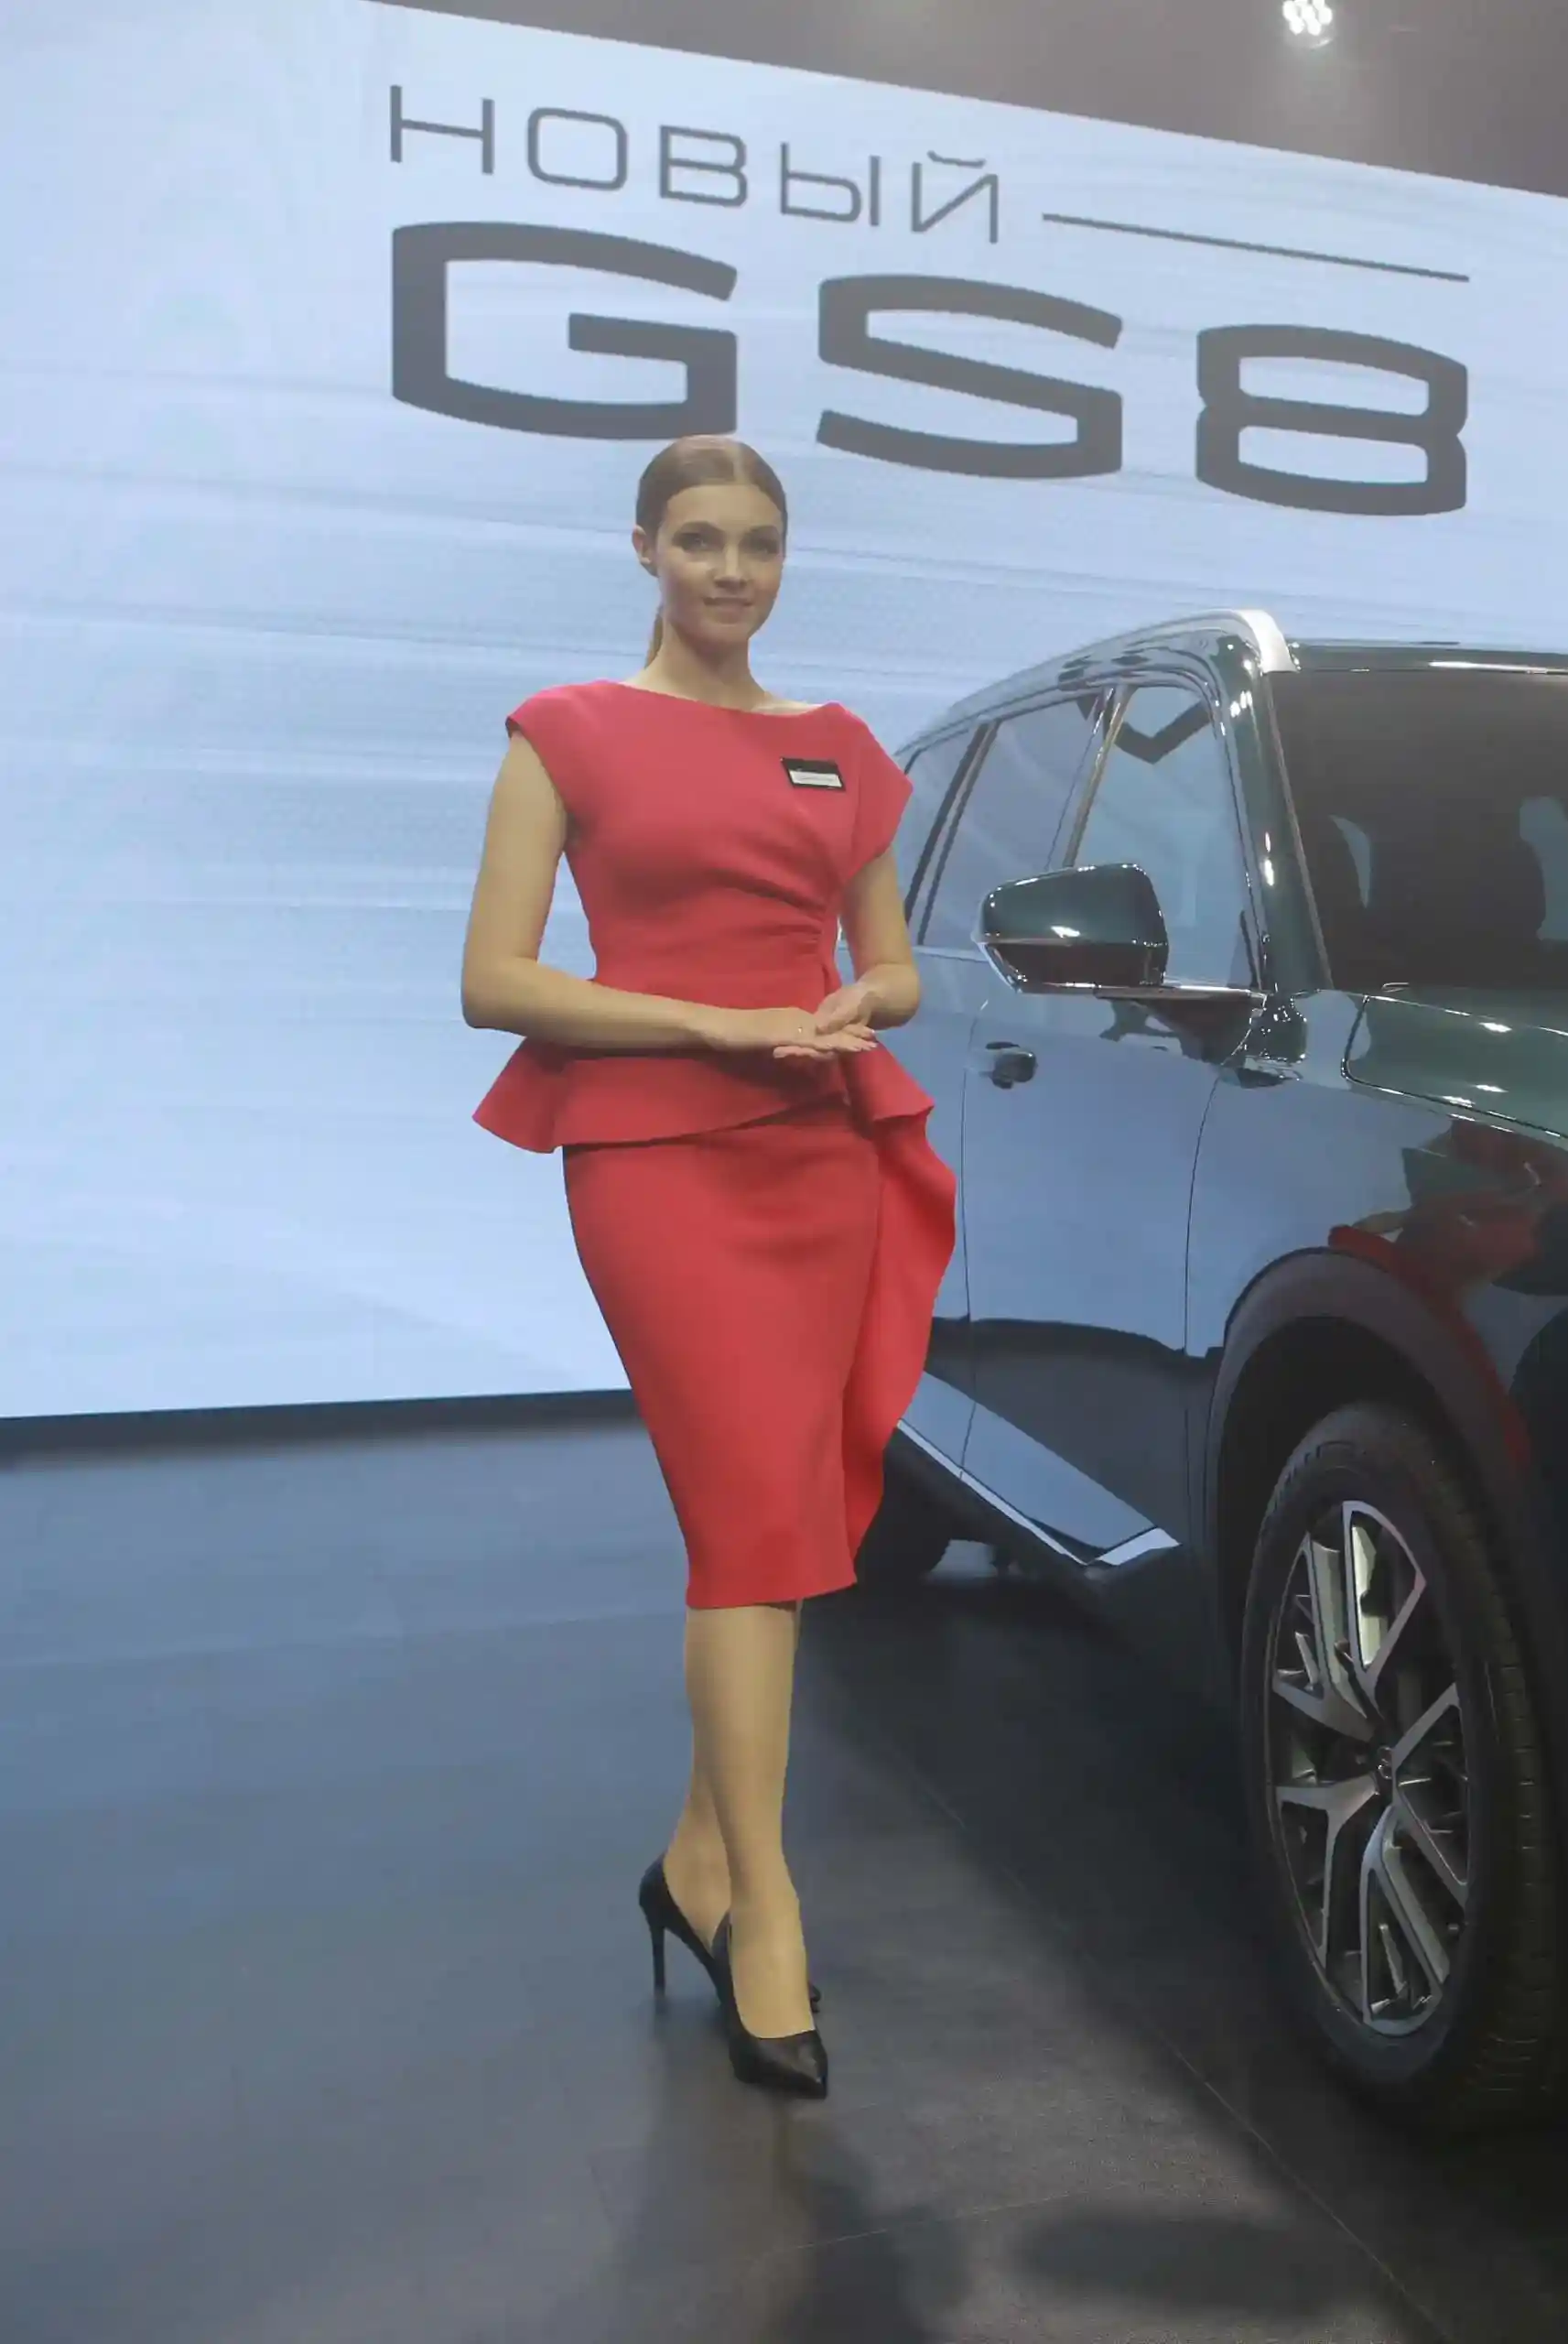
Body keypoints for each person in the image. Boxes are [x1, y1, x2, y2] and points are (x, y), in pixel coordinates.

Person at [456, 436, 956, 2099]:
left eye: (757, 543)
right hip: (657, 1158)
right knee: (747, 1521)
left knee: (777, 1524)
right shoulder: (567, 731)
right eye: (699, 540)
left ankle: (693, 1863)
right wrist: (712, 1022)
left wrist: (861, 1002)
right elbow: (496, 980)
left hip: (820, 1151)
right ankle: (769, 1913)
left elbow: (895, 964)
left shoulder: (839, 747)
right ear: (644, 549)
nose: (731, 570)